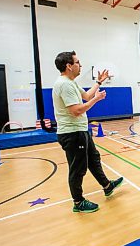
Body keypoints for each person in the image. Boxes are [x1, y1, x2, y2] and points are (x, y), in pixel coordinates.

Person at [53, 51, 123, 213]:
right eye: (77, 62)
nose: (81, 65)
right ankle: (78, 202)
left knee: (93, 158)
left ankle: (107, 185)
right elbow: (76, 110)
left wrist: (98, 82)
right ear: (69, 66)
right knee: (78, 168)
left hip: (80, 130)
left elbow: (86, 96)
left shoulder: (71, 82)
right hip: (72, 133)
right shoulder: (64, 84)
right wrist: (96, 100)